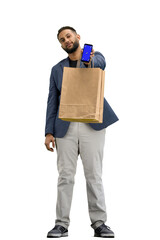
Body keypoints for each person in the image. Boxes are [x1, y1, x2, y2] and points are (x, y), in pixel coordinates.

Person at [44, 26, 119, 238]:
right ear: (60, 45)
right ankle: (61, 224)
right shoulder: (57, 69)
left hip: (92, 123)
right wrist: (49, 131)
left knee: (94, 174)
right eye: (62, 39)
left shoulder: (94, 56)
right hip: (64, 125)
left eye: (68, 36)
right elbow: (52, 101)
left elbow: (99, 65)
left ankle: (99, 223)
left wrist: (88, 60)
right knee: (65, 176)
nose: (66, 40)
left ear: (77, 37)